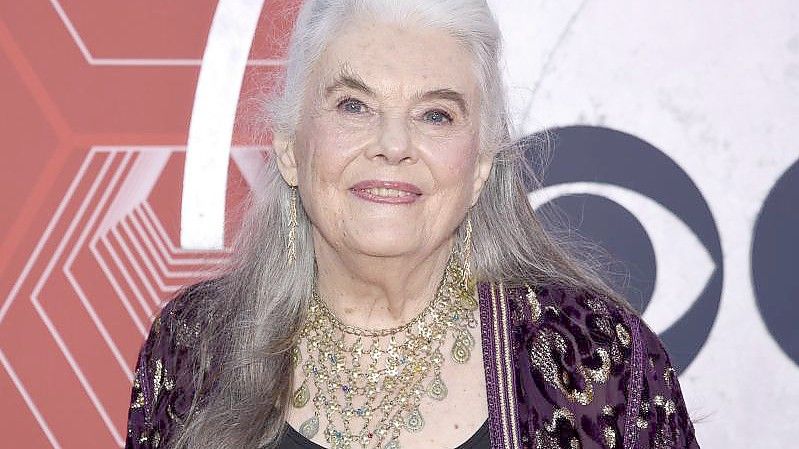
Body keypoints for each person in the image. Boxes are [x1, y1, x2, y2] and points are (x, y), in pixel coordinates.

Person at [125, 1, 700, 448]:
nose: (394, 145)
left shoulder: (593, 361)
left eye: (435, 114)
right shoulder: (197, 349)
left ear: (479, 166)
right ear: (287, 148)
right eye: (354, 105)